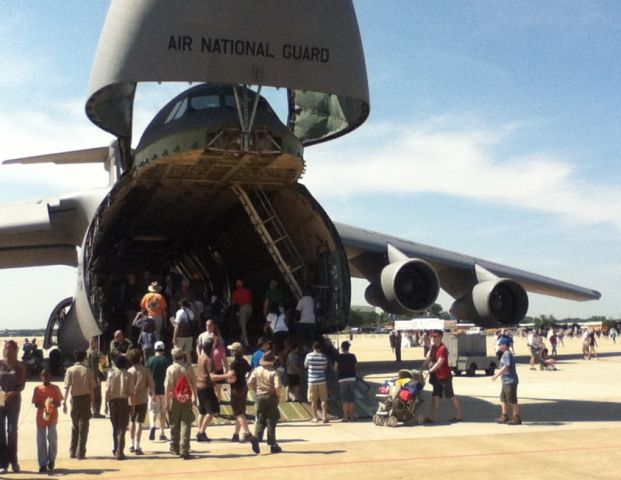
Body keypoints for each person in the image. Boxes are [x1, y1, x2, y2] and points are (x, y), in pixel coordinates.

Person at [195, 340, 233, 443]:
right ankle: (201, 432)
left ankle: (199, 431)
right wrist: (226, 376)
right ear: (211, 349)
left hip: (199, 386)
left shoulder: (200, 357)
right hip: (207, 387)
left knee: (202, 412)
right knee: (212, 411)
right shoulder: (209, 360)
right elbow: (212, 377)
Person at [422, 330, 463, 423]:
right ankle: (432, 416)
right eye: (432, 336)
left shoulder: (443, 349)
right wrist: (421, 368)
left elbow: (440, 362)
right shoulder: (432, 348)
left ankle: (459, 415)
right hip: (436, 377)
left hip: (444, 377)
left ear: (440, 337)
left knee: (450, 396)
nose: (433, 338)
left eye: (435, 336)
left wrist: (430, 371)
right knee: (435, 396)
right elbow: (428, 359)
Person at [165, 347, 198, 459]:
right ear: (182, 356)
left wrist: (166, 402)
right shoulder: (189, 367)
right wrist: (195, 397)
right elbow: (194, 384)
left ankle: (174, 447)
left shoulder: (170, 369)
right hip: (187, 398)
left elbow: (167, 387)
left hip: (174, 398)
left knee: (174, 423)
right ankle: (184, 448)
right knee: (186, 423)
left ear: (173, 357)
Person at [63, 350, 96, 460]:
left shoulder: (70, 370)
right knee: (84, 426)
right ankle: (81, 452)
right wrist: (92, 402)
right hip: (85, 399)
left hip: (75, 399)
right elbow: (92, 389)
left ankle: (72, 450)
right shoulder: (88, 371)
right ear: (84, 358)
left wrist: (64, 401)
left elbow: (67, 387)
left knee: (75, 425)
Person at [0, 340, 27, 474]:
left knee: (12, 431)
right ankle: (3, 463)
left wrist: (14, 392)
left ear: (16, 351)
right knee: (0, 433)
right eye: (6, 350)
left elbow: (22, 384)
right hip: (0, 399)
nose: (8, 353)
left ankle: (14, 461)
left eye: (11, 350)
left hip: (14, 399)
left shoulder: (20, 365)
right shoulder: (0, 364)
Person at [247, 351, 281, 454]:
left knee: (260, 418)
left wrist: (256, 390)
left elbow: (249, 383)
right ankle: (273, 444)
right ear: (271, 362)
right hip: (271, 396)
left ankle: (256, 438)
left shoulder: (257, 370)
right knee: (271, 420)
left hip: (260, 396)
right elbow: (277, 386)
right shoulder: (274, 372)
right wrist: (278, 395)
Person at [32, 369, 63, 472]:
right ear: (40, 377)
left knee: (52, 439)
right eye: (43, 376)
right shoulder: (37, 389)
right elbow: (36, 403)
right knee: (41, 441)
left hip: (52, 417)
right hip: (41, 418)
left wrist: (51, 404)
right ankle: (42, 463)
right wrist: (44, 405)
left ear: (51, 377)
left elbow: (59, 402)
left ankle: (52, 459)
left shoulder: (55, 388)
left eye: (47, 376)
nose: (45, 378)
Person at [106, 355, 135, 460]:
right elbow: (132, 393)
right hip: (124, 402)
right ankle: (119, 450)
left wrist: (105, 404)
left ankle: (116, 448)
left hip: (113, 403)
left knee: (115, 427)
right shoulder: (129, 375)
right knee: (122, 428)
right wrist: (133, 407)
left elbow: (107, 391)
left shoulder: (111, 374)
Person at [127, 348, 155, 455]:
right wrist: (153, 396)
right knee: (139, 422)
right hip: (142, 399)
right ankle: (137, 445)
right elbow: (152, 385)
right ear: (141, 358)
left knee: (132, 421)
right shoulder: (146, 371)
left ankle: (131, 443)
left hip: (131, 401)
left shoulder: (129, 371)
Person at [227, 342, 254, 442]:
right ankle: (236, 434)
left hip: (236, 389)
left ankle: (247, 432)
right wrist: (247, 377)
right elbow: (251, 370)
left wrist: (228, 379)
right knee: (240, 411)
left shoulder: (233, 363)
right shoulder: (243, 361)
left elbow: (231, 377)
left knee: (238, 412)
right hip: (243, 387)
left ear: (234, 352)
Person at [492, 337, 521, 424]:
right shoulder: (505, 353)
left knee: (512, 400)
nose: (499, 346)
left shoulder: (506, 354)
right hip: (506, 381)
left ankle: (516, 418)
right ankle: (504, 416)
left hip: (510, 381)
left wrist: (496, 375)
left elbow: (506, 366)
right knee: (503, 399)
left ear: (505, 345)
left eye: (500, 344)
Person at [146, 341, 171, 441]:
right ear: (163, 349)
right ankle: (162, 432)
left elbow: (147, 375)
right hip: (164, 390)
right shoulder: (167, 360)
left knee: (153, 410)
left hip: (153, 390)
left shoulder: (150, 361)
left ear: (155, 349)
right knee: (163, 412)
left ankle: (152, 425)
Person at [304, 340, 329, 423]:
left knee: (313, 400)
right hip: (322, 380)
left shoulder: (309, 356)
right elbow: (325, 367)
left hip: (312, 381)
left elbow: (305, 365)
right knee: (323, 399)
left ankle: (315, 417)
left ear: (313, 347)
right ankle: (324, 416)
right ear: (320, 348)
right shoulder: (323, 357)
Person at [336, 341, 357, 422]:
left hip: (342, 379)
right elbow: (355, 366)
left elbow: (335, 367)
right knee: (351, 398)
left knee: (345, 398)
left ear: (342, 348)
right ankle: (351, 416)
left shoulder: (339, 357)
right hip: (352, 378)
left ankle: (345, 416)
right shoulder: (353, 356)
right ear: (349, 347)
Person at [86, 337, 107, 418]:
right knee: (97, 395)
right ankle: (96, 412)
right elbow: (98, 367)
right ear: (93, 343)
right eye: (95, 343)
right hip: (94, 377)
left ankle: (90, 411)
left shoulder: (87, 352)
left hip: (88, 377)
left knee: (90, 395)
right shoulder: (94, 353)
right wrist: (98, 378)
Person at [232, 279, 253, 346]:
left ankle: (246, 341)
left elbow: (234, 303)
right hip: (250, 308)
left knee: (242, 325)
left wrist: (236, 311)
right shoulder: (247, 291)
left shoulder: (235, 292)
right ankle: (242, 337)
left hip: (242, 308)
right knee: (244, 322)